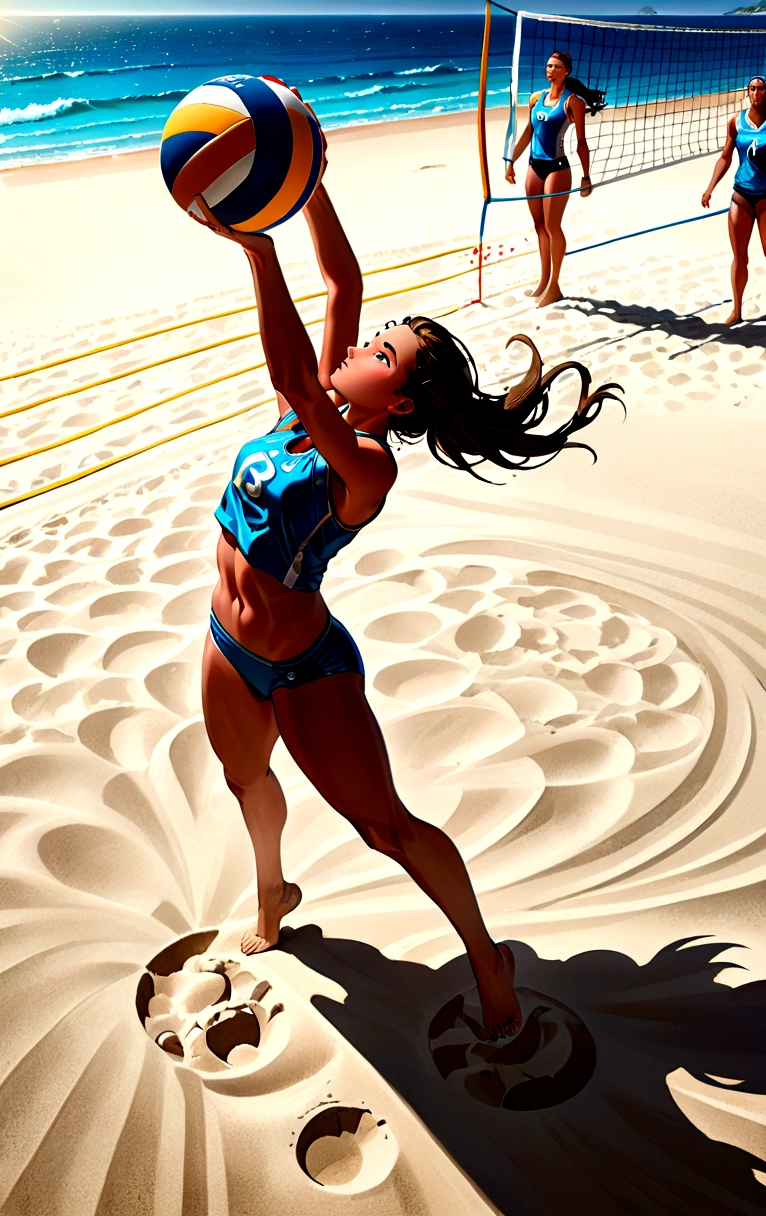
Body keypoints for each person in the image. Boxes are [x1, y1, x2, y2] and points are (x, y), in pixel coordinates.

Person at [190, 151, 621, 1042]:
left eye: (378, 353)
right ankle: (273, 891)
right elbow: (342, 278)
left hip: (306, 669)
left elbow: (296, 382)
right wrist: (310, 185)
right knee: (244, 777)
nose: (354, 347)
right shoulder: (303, 416)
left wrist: (256, 255)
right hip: (227, 647)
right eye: (368, 339)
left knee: (386, 827)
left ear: (395, 404)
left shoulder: (367, 466)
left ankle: (485, 955)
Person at [505, 51, 606, 307]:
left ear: (567, 71)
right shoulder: (535, 98)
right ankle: (544, 279)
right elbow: (529, 132)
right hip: (533, 166)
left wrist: (586, 176)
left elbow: (582, 142)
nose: (550, 69)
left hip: (557, 168)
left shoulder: (573, 102)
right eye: (549, 65)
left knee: (552, 227)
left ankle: (555, 286)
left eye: (557, 66)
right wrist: (511, 161)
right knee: (539, 226)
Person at [702, 75, 766, 325]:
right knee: (740, 256)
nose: (757, 93)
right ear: (747, 92)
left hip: (765, 198)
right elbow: (725, 157)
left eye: (761, 89)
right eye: (753, 89)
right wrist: (710, 188)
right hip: (741, 195)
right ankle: (737, 310)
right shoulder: (736, 121)